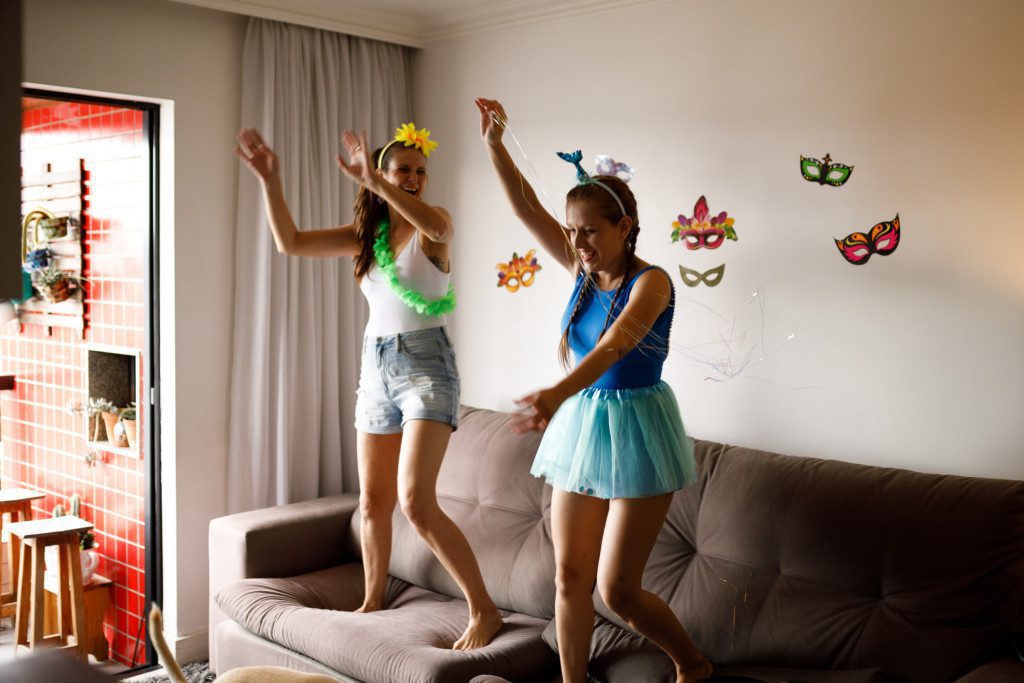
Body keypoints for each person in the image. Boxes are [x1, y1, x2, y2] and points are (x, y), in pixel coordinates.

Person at [234, 123, 502, 650]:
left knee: (415, 502)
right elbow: (289, 243)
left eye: (421, 171)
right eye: (404, 169)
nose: (416, 178)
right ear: (382, 173)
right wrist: (271, 180)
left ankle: (484, 609)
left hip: (427, 367)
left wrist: (380, 185)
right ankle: (373, 600)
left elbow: (440, 230)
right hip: (374, 367)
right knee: (374, 503)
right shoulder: (368, 237)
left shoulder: (433, 224)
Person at [475, 98, 713, 681]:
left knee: (618, 590)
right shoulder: (581, 269)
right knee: (569, 578)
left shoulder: (652, 283)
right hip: (585, 425)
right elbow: (527, 206)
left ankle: (692, 664)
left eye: (590, 232)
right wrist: (495, 146)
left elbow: (614, 349)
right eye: (572, 232)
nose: (578, 243)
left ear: (624, 227)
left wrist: (555, 395)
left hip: (639, 426)